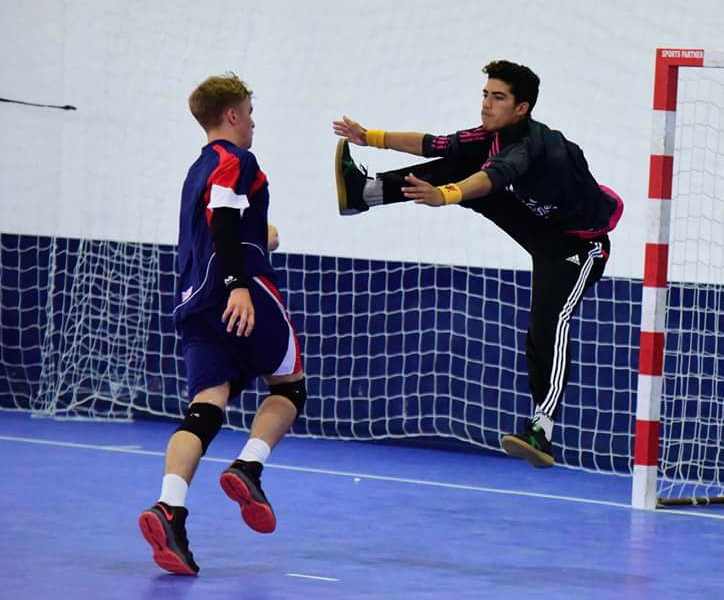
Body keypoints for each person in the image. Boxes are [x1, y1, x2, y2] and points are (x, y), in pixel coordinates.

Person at [333, 60, 622, 469]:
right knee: (460, 157)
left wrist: (447, 195)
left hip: (577, 249)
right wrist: (370, 137)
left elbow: (493, 178)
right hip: (537, 225)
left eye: (498, 97)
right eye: (485, 94)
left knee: (548, 322)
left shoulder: (532, 148)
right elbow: (434, 144)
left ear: (522, 107)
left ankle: (542, 429)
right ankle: (367, 192)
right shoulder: (491, 135)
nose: (487, 104)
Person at [139, 73, 305, 575]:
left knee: (205, 409)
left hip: (192, 303)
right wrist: (237, 283)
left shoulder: (197, 171)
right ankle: (249, 466)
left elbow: (225, 221)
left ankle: (169, 508)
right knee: (290, 387)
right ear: (231, 115)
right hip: (239, 292)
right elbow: (225, 222)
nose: (253, 121)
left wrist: (262, 236)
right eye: (249, 111)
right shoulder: (237, 159)